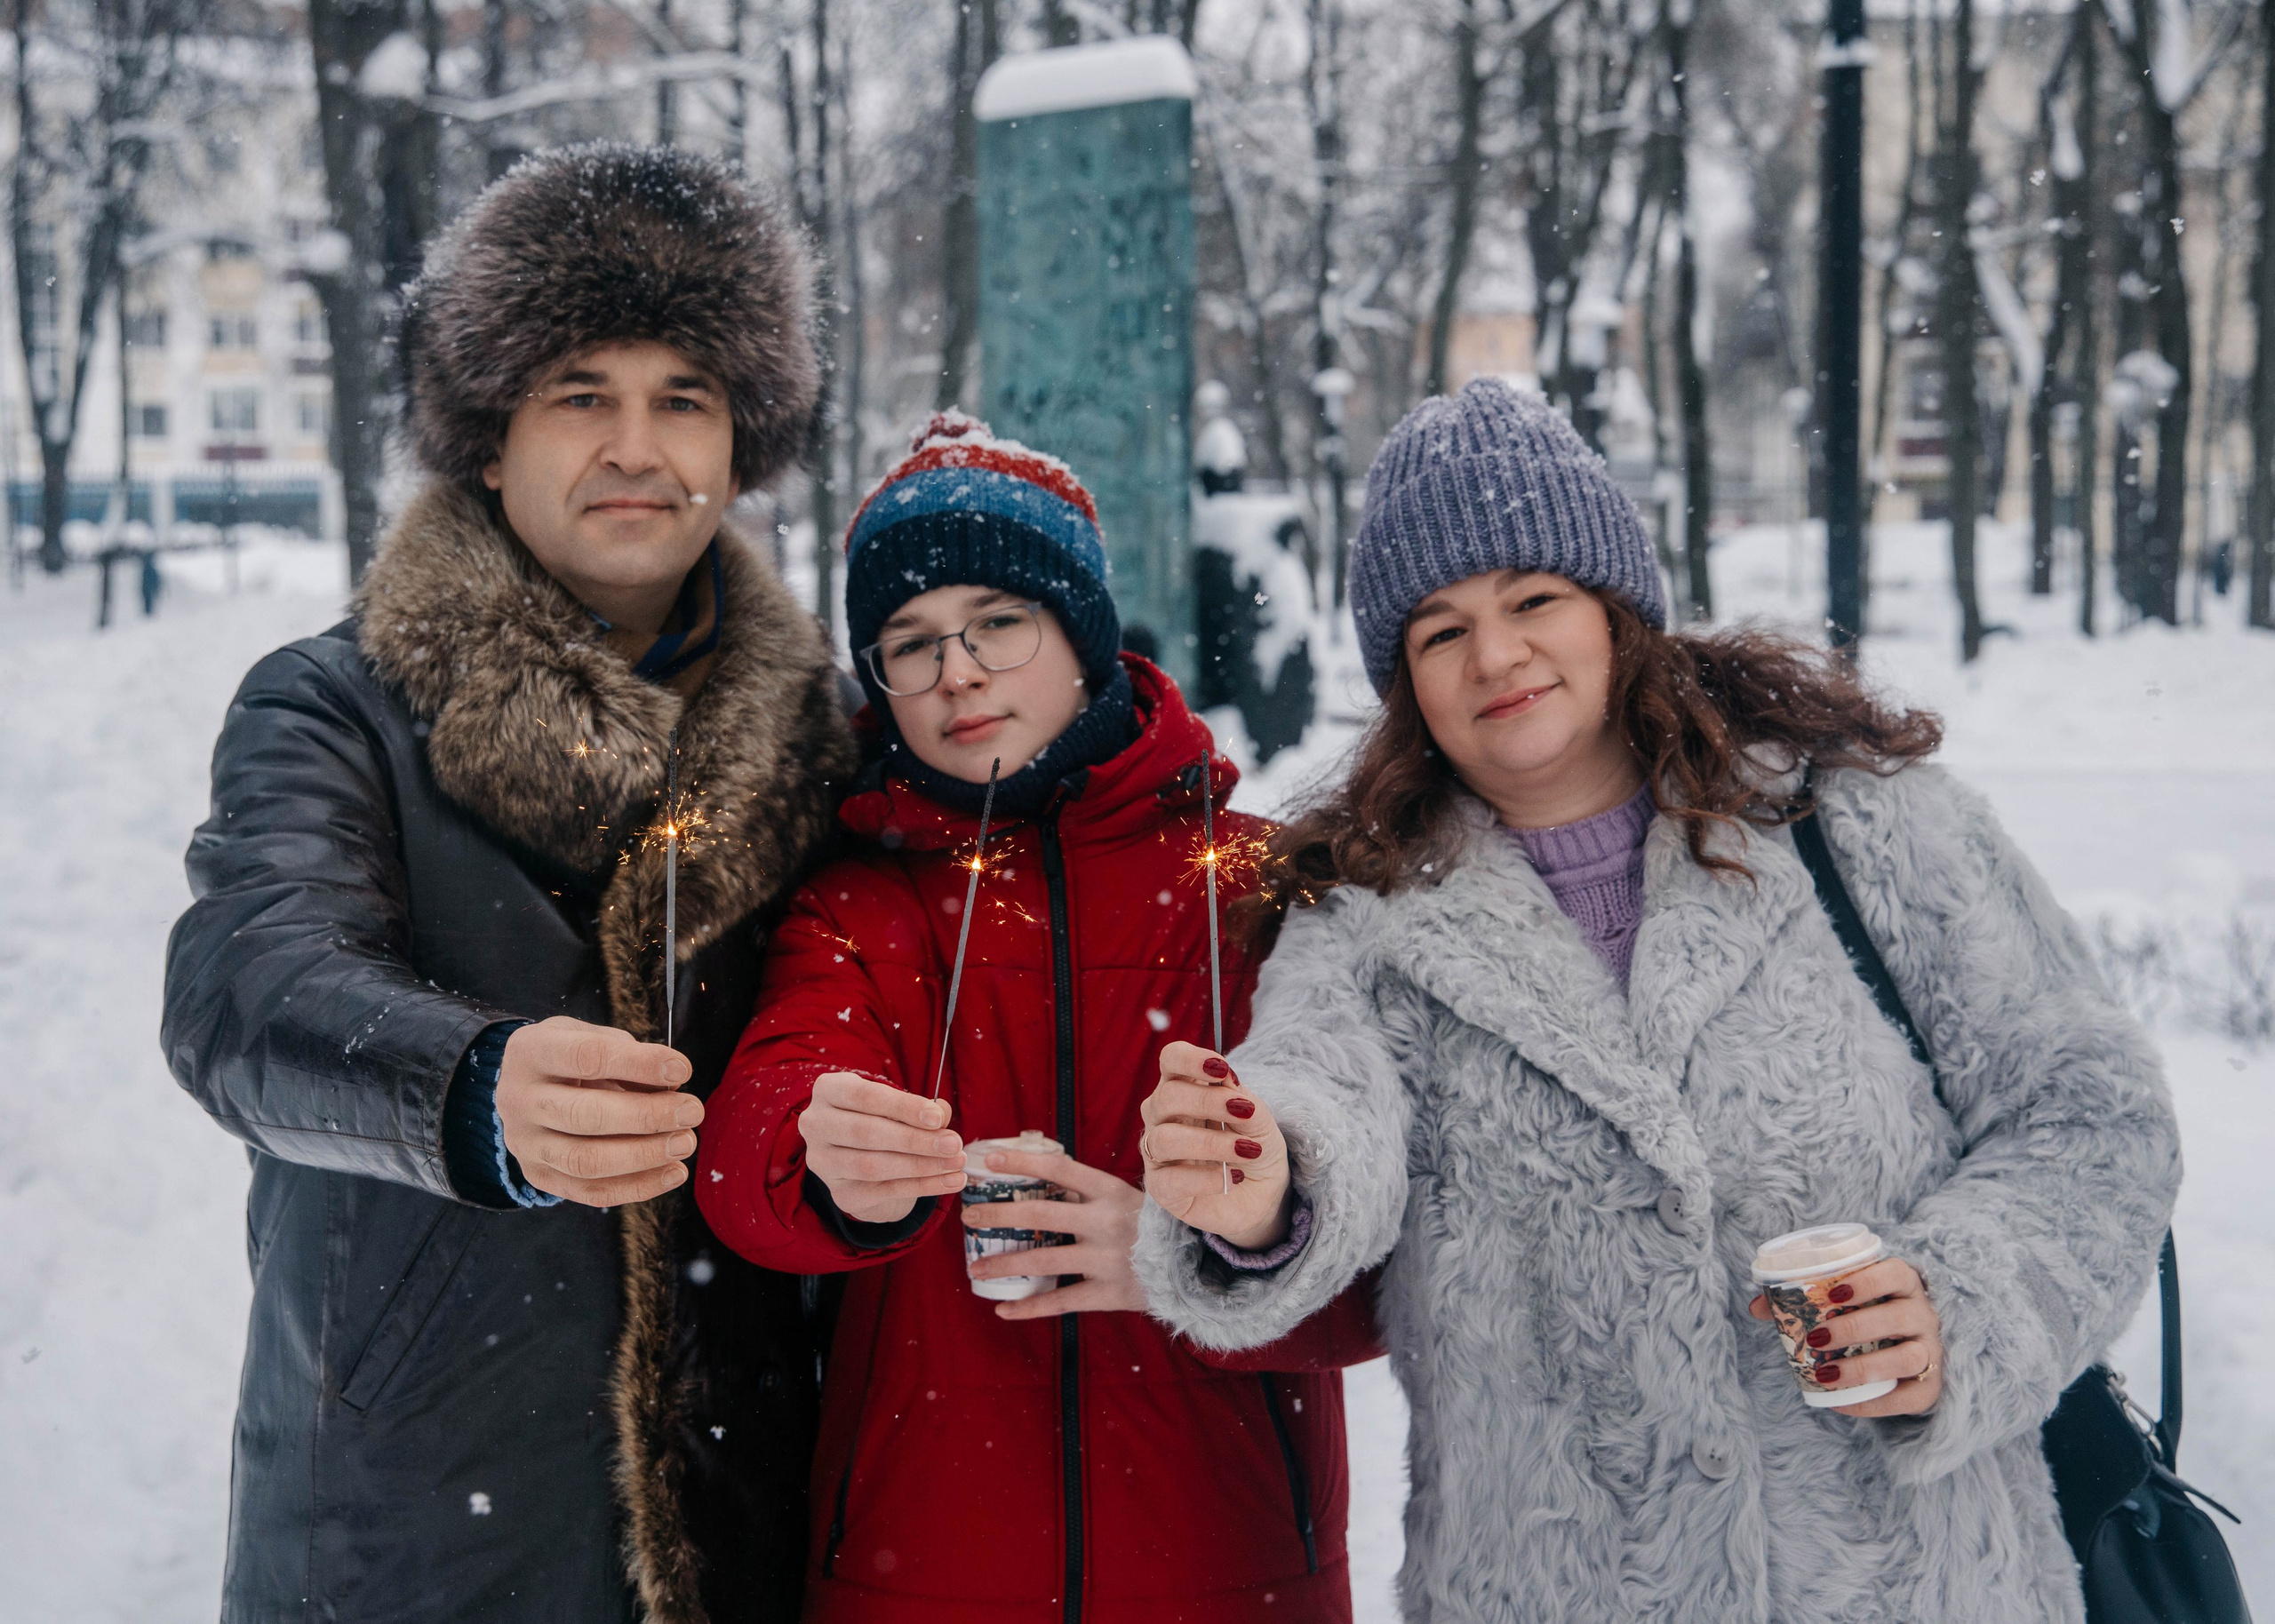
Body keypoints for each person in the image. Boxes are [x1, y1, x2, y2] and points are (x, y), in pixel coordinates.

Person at [1132, 378, 2181, 1623]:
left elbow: (2092, 1114)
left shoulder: (1852, 821)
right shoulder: (1364, 917)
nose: (1498, 656)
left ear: (1616, 610)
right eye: (1441, 629)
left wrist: (1963, 1304)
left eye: (1534, 599)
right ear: (1404, 678)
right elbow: (1320, 1102)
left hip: (1919, 1584)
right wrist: (1263, 1186)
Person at [162, 144, 856, 1624]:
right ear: (488, 438)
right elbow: (244, 985)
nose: (636, 445)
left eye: (686, 398)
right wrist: (468, 1087)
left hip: (747, 1521)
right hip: (409, 1527)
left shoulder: (823, 748)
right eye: (579, 394)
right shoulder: (334, 707)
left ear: (743, 449)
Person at [694, 413, 1380, 1624]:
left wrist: (1202, 1257)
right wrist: (827, 1154)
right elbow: (755, 1140)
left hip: (1230, 1576)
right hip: (920, 1574)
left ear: (1083, 634)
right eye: (908, 643)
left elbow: (1395, 1269)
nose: (956, 672)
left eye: (998, 623)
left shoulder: (1262, 892)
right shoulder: (860, 906)